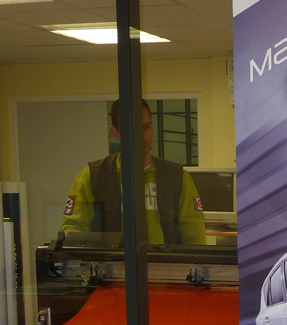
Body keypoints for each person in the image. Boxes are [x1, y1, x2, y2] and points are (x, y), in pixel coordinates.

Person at [59, 99, 206, 245]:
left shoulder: (177, 177)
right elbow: (72, 226)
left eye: (146, 127)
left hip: (163, 260)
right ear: (115, 132)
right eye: (132, 129)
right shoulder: (93, 176)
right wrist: (74, 236)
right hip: (113, 259)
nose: (142, 136)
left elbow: (194, 234)